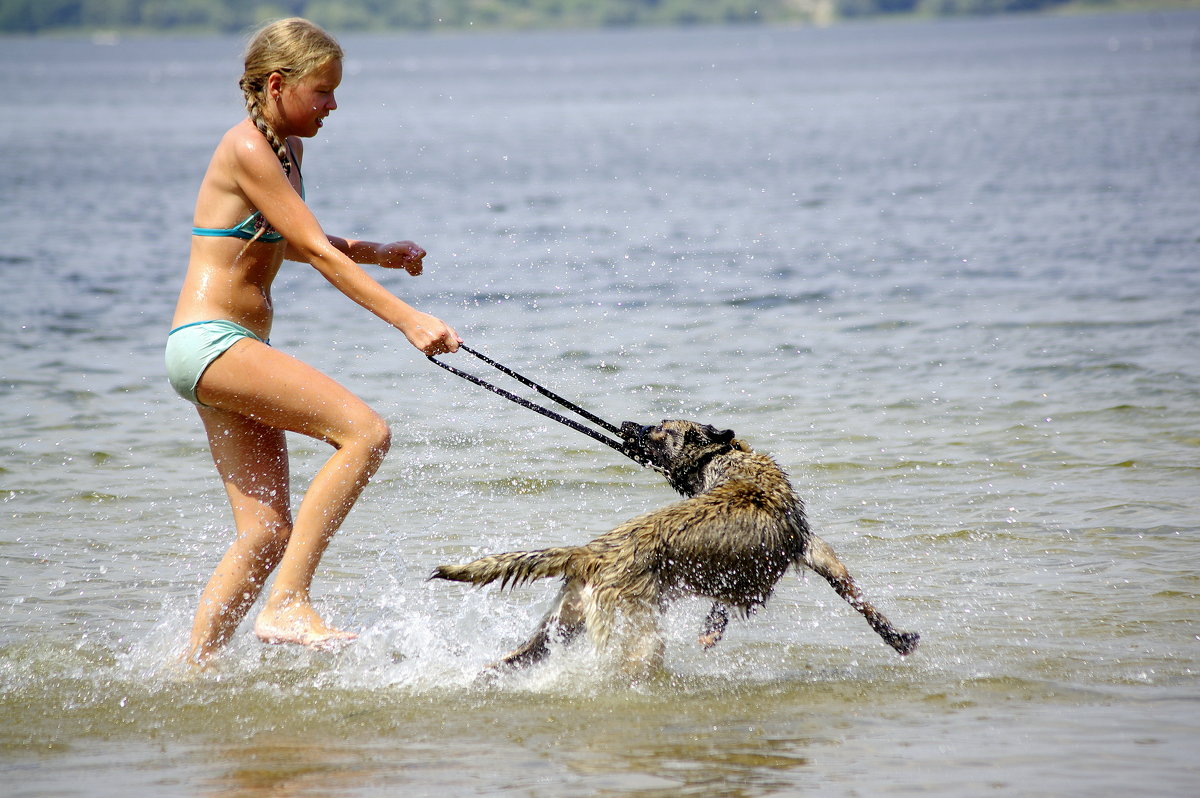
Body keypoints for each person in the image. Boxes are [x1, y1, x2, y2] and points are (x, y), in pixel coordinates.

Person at [166, 17, 460, 666]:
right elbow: (311, 250)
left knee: (266, 533)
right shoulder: (246, 146)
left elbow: (301, 240)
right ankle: (288, 602)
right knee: (364, 433)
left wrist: (376, 251)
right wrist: (407, 319)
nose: (334, 104)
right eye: (322, 90)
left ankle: (192, 676)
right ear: (278, 85)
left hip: (220, 351)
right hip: (213, 344)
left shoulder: (285, 152)